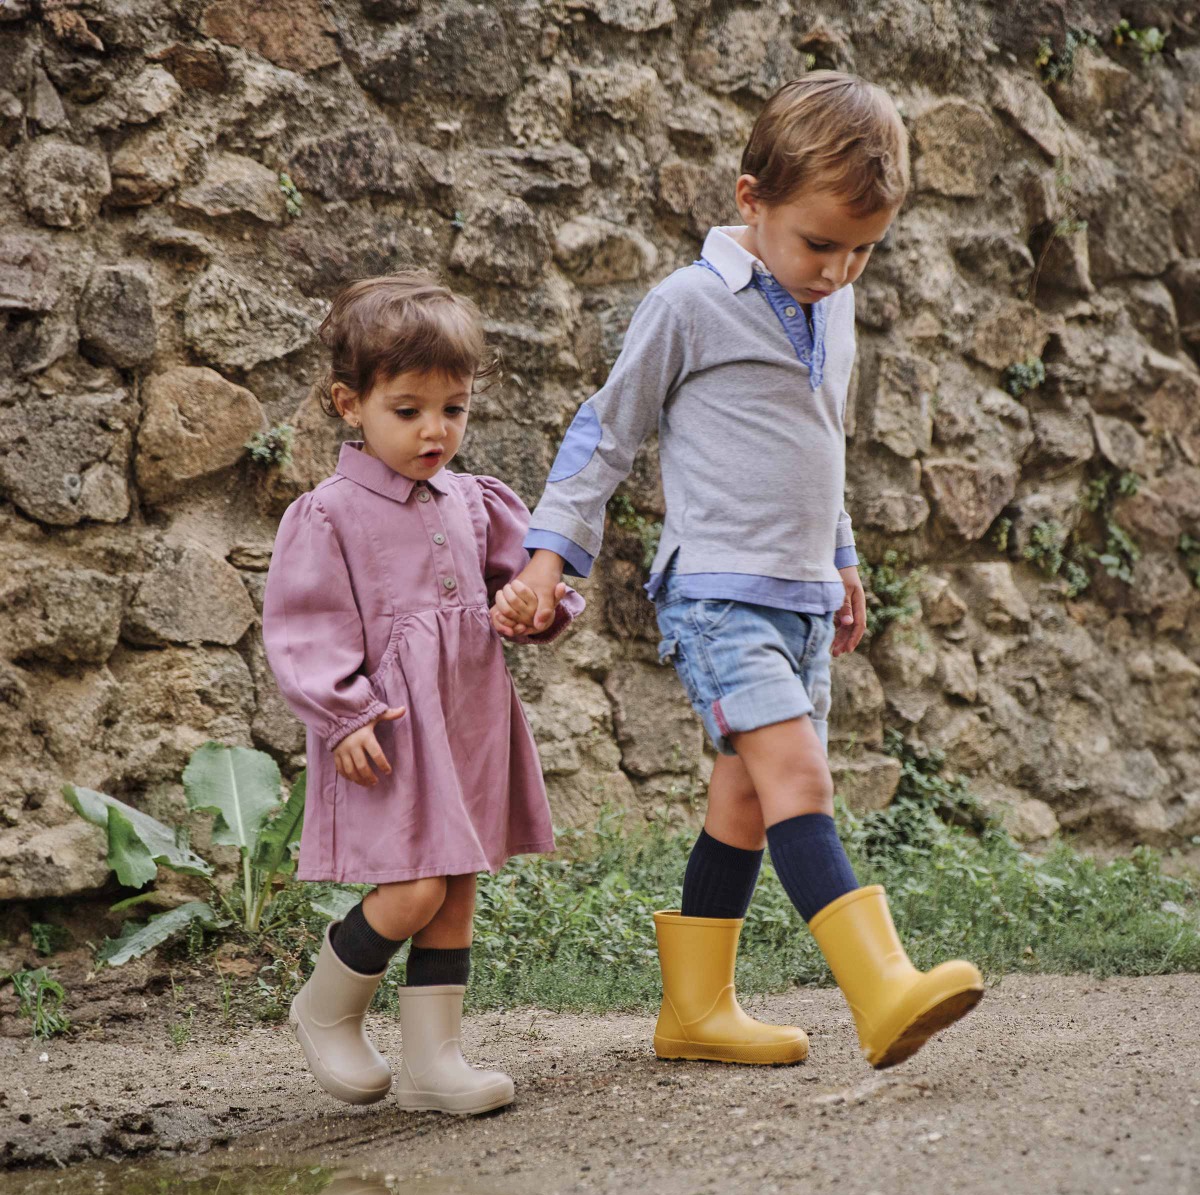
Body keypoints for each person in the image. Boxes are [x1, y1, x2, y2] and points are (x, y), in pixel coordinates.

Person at [494, 71, 982, 1070]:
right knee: (800, 772)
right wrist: (547, 561)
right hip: (717, 593)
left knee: (746, 801)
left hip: (800, 593)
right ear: (748, 201)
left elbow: (822, 441)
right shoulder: (689, 305)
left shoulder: (830, 303)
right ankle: (880, 989)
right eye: (820, 243)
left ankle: (695, 1012)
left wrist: (840, 556)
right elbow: (606, 432)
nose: (839, 270)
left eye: (862, 250)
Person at [263, 272, 582, 1112]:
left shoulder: (474, 500)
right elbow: (305, 625)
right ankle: (327, 1006)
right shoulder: (328, 515)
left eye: (455, 408)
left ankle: (436, 1063)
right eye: (408, 411)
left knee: (459, 884)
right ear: (349, 404)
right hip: (391, 730)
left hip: (468, 716)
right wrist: (342, 713)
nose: (434, 430)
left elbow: (526, 588)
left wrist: (526, 604)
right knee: (413, 888)